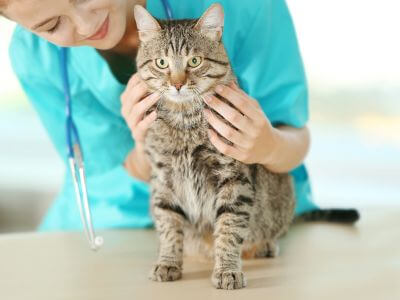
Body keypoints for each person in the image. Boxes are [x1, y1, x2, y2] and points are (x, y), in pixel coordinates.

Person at [2, 0, 319, 231]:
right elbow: (99, 176)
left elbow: (294, 135)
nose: (85, 26)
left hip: (243, 220)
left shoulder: (247, 6)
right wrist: (145, 155)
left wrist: (267, 146)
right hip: (112, 227)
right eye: (51, 25)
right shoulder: (33, 54)